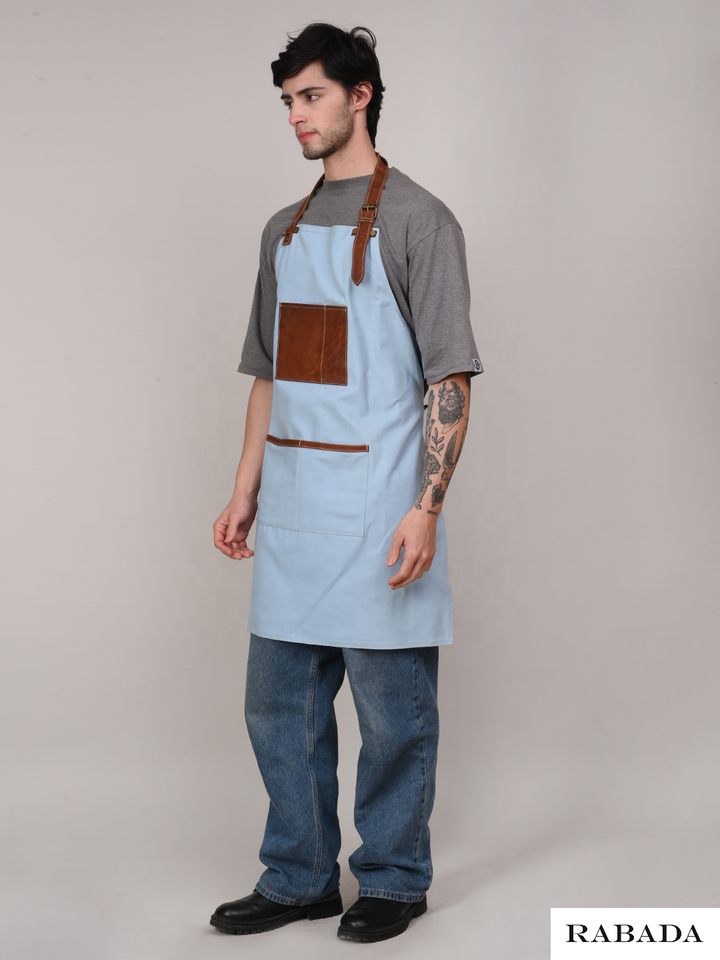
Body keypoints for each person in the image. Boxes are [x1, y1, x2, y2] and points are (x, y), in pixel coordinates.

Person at [210, 22, 482, 943]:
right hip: (293, 509)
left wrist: (426, 508)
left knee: (394, 716)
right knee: (278, 709)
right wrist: (245, 488)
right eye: (288, 100)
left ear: (360, 96)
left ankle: (395, 879)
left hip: (379, 511)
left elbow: (449, 379)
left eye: (311, 95)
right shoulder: (281, 231)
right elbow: (270, 373)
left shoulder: (420, 220)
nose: (296, 114)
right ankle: (298, 877)